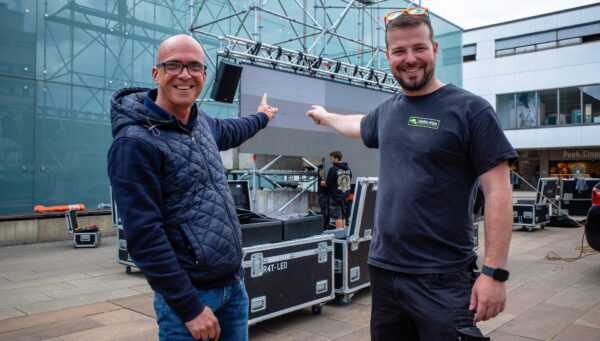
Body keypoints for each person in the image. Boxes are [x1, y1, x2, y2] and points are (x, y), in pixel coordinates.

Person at [306, 8, 517, 341]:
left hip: (443, 279)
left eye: (418, 48)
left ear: (434, 50)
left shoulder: (470, 110)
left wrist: (495, 273)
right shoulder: (389, 111)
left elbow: (499, 192)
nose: (409, 59)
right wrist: (326, 115)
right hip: (385, 273)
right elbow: (357, 125)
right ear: (388, 56)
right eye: (399, 51)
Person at [107, 34, 278, 341]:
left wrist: (263, 117)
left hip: (232, 287)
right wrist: (189, 309)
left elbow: (233, 130)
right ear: (156, 73)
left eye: (194, 67)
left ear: (203, 75)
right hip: (191, 300)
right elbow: (144, 237)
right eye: (174, 65)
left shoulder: (200, 123)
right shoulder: (134, 143)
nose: (184, 75)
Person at [325, 151, 352, 229]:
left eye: (331, 158)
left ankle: (339, 236)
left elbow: (328, 183)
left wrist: (323, 183)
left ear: (336, 158)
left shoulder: (333, 169)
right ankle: (344, 235)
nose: (330, 160)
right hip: (345, 196)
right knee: (343, 216)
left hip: (335, 196)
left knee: (337, 216)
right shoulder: (348, 169)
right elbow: (349, 179)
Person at [317, 164, 330, 229]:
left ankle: (325, 226)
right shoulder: (322, 168)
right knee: (325, 211)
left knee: (327, 211)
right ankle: (324, 226)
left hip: (326, 194)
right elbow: (322, 183)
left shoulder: (324, 168)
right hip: (323, 194)